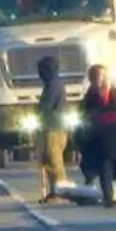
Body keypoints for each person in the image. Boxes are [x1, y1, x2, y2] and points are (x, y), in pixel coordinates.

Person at [81, 64, 116, 208]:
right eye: (99, 77)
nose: (103, 80)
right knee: (105, 170)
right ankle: (108, 198)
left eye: (105, 76)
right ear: (92, 80)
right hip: (102, 142)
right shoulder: (90, 98)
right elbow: (86, 118)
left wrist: (109, 117)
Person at [36, 55, 68, 203]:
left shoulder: (53, 85)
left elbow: (46, 105)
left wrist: (38, 111)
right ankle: (54, 190)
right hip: (55, 126)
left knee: (54, 160)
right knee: (50, 160)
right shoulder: (54, 83)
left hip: (53, 128)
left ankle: (60, 190)